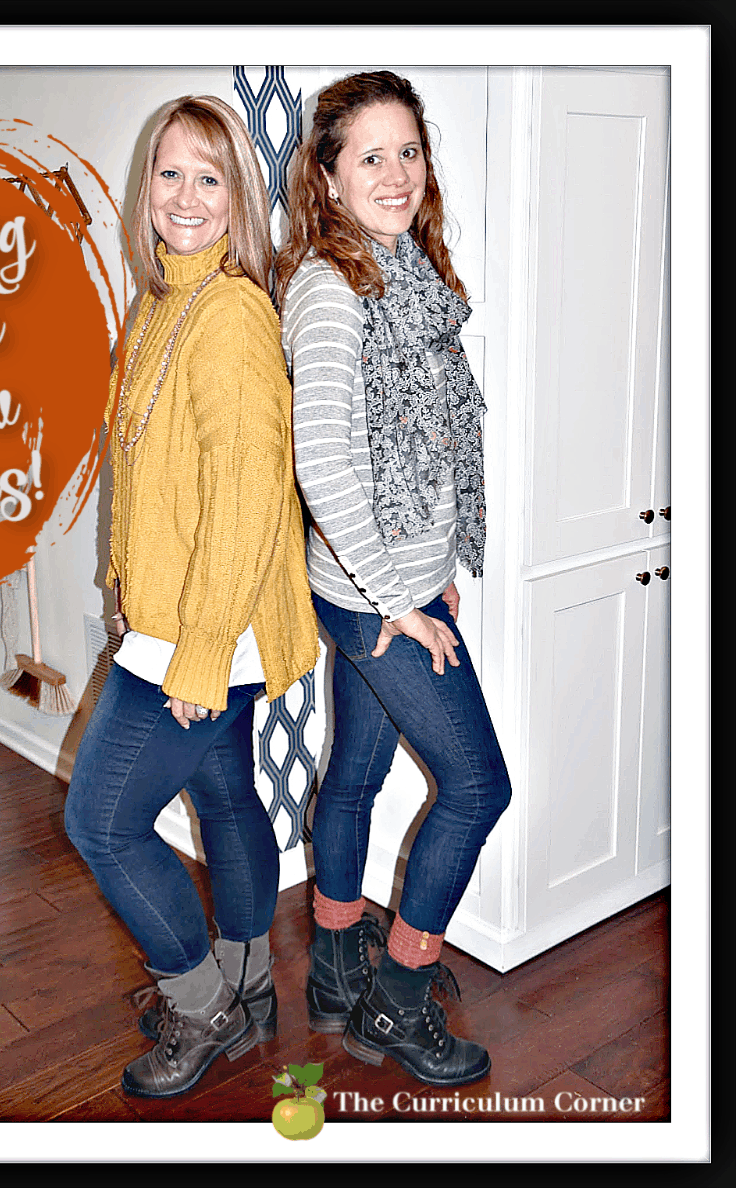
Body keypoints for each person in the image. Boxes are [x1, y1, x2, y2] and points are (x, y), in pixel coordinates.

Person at [65, 95, 318, 1100]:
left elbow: (249, 497)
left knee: (101, 821)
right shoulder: (160, 304)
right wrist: (127, 586)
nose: (184, 195)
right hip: (174, 616)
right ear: (147, 189)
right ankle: (248, 983)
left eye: (209, 177)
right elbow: (149, 473)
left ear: (238, 198)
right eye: (169, 172)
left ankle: (203, 1002)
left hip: (208, 628)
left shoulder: (232, 317)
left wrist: (201, 650)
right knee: (222, 795)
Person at [277, 70, 511, 1087]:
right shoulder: (332, 289)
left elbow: (429, 441)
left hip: (388, 586)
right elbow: (325, 465)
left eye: (408, 151)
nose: (396, 173)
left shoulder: (408, 267)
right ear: (328, 178)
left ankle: (336, 969)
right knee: (480, 785)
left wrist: (437, 566)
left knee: (358, 775)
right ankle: (396, 1002)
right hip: (371, 600)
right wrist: (396, 601)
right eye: (370, 155)